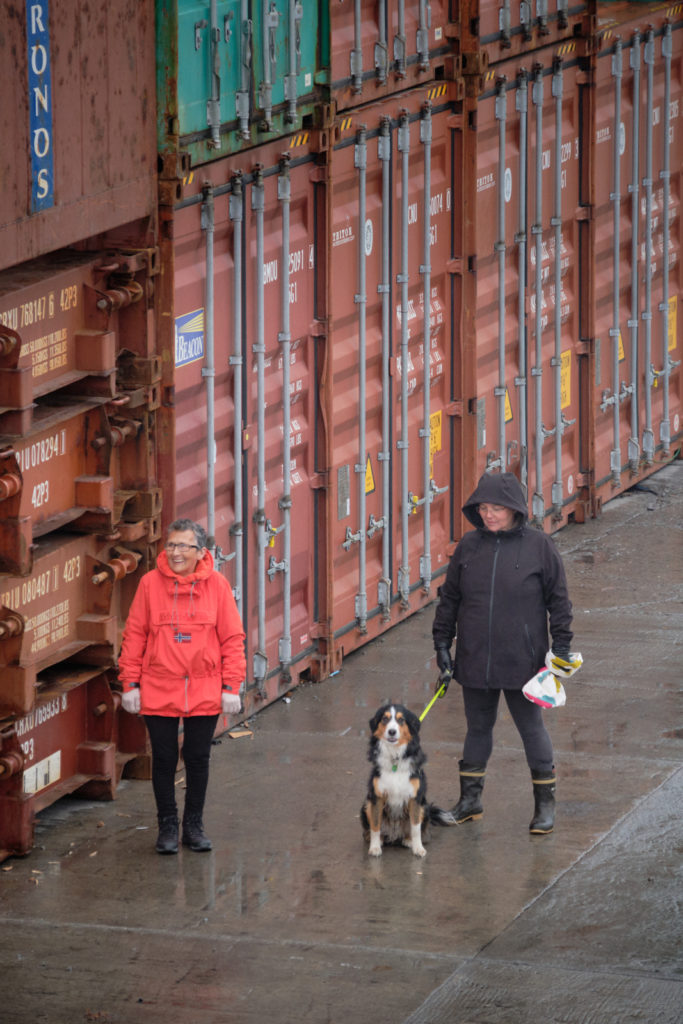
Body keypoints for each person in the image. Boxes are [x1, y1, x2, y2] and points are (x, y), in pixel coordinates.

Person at [432, 471, 573, 835]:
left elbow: (559, 602)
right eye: (482, 508)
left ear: (514, 509)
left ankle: (545, 806)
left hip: (523, 661)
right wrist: (442, 644)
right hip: (475, 656)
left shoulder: (539, 546)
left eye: (496, 508)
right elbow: (450, 599)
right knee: (478, 728)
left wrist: (561, 649)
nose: (488, 514)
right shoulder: (468, 546)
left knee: (531, 729)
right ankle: (470, 802)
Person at [118, 518, 246, 854]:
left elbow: (232, 639)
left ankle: (193, 826)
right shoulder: (149, 584)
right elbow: (134, 636)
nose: (175, 552)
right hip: (159, 687)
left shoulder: (217, 586)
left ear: (200, 552)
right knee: (163, 758)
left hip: (204, 689)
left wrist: (231, 686)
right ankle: (168, 827)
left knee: (197, 757)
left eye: (183, 546)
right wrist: (130, 683)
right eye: (171, 545)